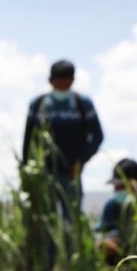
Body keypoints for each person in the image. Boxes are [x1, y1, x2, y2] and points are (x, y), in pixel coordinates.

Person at [22, 59, 104, 219]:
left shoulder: (82, 104)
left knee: (71, 221)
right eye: (58, 81)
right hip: (43, 174)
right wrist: (27, 168)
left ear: (72, 81)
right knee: (44, 220)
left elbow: (97, 137)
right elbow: (28, 139)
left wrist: (81, 161)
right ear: (50, 81)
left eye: (66, 81)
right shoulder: (38, 104)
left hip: (71, 174)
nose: (61, 85)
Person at [96, 158, 137, 266]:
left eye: (121, 186)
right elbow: (101, 229)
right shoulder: (111, 206)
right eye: (115, 186)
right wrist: (104, 241)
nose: (117, 190)